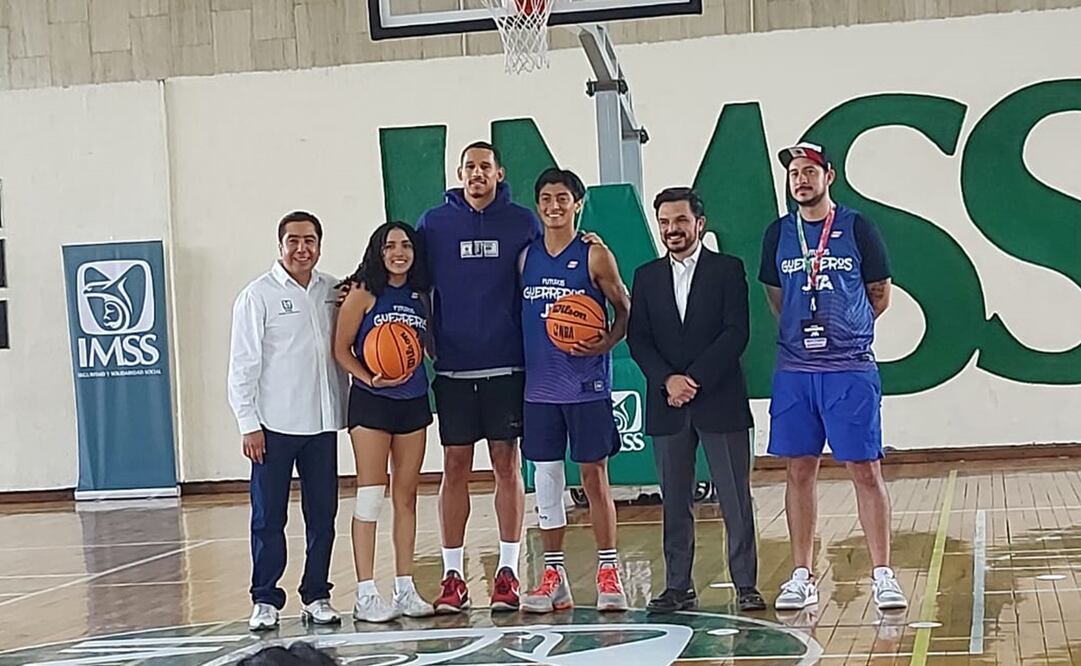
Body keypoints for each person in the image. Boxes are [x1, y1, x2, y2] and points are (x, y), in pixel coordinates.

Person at [758, 142, 907, 611]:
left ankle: (882, 572)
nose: (800, 179)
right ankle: (802, 573)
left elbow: (878, 294)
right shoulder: (778, 233)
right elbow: (777, 297)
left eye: (809, 171)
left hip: (849, 369)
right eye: (794, 173)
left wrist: (847, 331)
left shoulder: (857, 227)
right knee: (799, 470)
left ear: (829, 176)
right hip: (795, 371)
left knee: (865, 469)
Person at [626, 187, 765, 613]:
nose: (672, 229)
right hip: (668, 405)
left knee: (734, 498)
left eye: (680, 221)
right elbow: (639, 339)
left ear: (699, 224)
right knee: (674, 501)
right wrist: (668, 380)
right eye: (665, 222)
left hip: (719, 399)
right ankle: (678, 586)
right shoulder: (646, 276)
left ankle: (745, 585)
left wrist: (695, 379)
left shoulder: (728, 270)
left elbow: (735, 333)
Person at [416, 141, 541, 612]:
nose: (477, 174)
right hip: (453, 368)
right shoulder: (435, 223)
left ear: (499, 173)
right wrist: (430, 342)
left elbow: (547, 266)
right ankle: (453, 576)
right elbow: (414, 283)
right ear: (460, 173)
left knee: (507, 465)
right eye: (469, 167)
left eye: (485, 167)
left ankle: (507, 571)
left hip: (507, 365)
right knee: (454, 467)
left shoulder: (522, 221)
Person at [517, 168, 631, 614]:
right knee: (546, 480)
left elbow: (624, 307)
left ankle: (608, 570)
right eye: (546, 198)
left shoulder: (596, 256)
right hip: (540, 387)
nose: (553, 206)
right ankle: (554, 576)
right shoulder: (526, 258)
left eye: (562, 198)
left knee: (593, 476)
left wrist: (607, 340)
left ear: (577, 203)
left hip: (586, 385)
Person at [227, 210, 347, 631]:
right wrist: (248, 422)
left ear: (319, 244)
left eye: (310, 240)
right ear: (280, 246)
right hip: (272, 427)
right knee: (268, 517)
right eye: (293, 240)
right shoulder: (256, 295)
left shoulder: (333, 290)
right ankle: (265, 598)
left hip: (321, 425)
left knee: (323, 516)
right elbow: (242, 365)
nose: (302, 248)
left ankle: (316, 594)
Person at [333, 221, 436, 623]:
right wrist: (369, 377)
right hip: (372, 404)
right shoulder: (361, 292)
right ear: (377, 250)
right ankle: (365, 593)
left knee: (406, 497)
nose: (399, 252)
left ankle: (405, 587)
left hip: (412, 402)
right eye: (390, 245)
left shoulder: (421, 295)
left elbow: (426, 347)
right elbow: (340, 350)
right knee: (371, 496)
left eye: (406, 245)